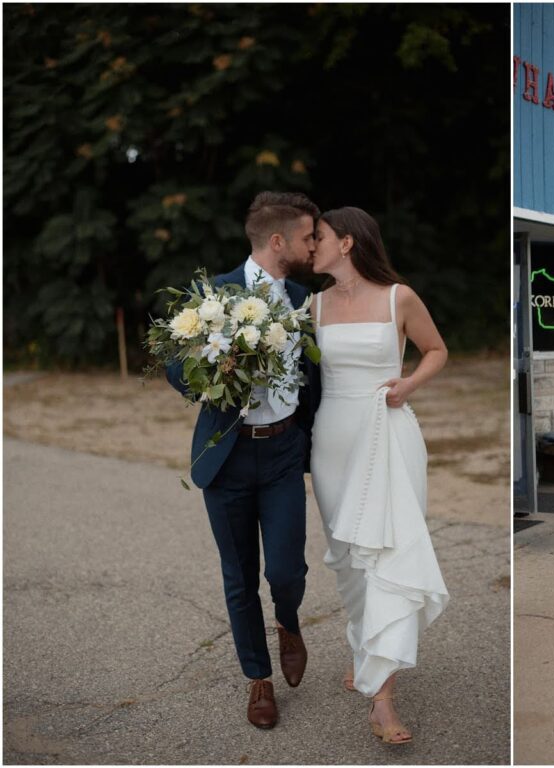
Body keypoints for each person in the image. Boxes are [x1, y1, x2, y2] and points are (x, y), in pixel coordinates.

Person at [165, 191, 322, 728]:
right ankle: (259, 679)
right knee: (239, 576)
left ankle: (288, 622)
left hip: (283, 452)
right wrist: (217, 370)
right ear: (278, 241)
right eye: (307, 237)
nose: (313, 245)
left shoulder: (303, 297)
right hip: (228, 456)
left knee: (286, 570)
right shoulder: (213, 295)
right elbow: (176, 370)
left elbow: (315, 379)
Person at [309, 206, 449, 744]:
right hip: (332, 441)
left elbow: (436, 350)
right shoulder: (313, 305)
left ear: (346, 243)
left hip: (388, 434)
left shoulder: (399, 297)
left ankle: (383, 701)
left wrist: (408, 384)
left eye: (319, 237)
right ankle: (365, 651)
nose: (311, 246)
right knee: (349, 559)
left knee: (385, 554)